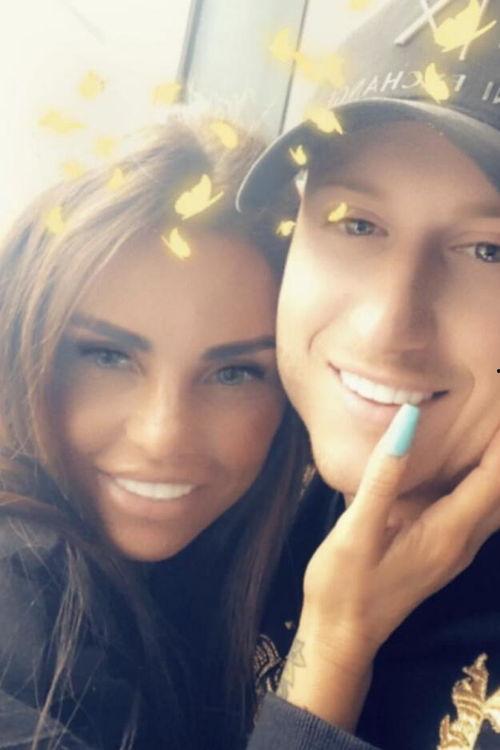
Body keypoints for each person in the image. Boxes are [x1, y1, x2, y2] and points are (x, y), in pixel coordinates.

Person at [0, 109, 310, 749]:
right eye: (107, 357)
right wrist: (334, 652)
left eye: (234, 374)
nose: (164, 435)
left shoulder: (265, 563)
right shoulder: (18, 579)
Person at [238, 1, 500, 748]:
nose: (388, 328)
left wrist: (332, 645)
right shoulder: (224, 474)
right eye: (356, 223)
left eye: (490, 251)